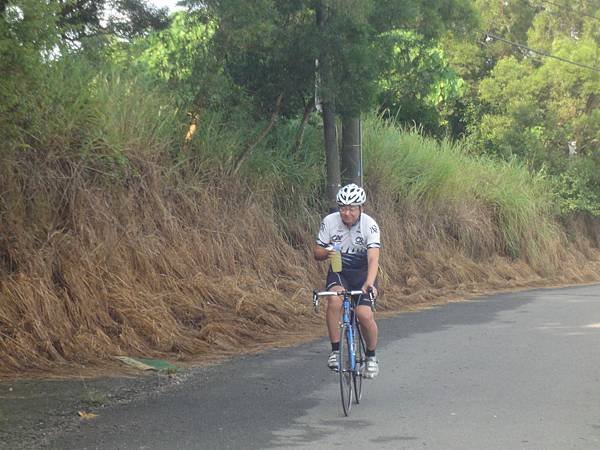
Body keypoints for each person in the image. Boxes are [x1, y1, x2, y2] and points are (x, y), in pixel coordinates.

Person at [313, 183, 381, 378]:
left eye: (351, 208)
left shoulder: (370, 225)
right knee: (334, 299)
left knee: (364, 314)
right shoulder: (330, 221)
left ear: (361, 208)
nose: (347, 213)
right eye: (343, 208)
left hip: (363, 273)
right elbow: (316, 253)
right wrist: (326, 252)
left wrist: (369, 283)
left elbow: (373, 258)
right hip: (339, 270)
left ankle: (371, 356)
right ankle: (335, 351)